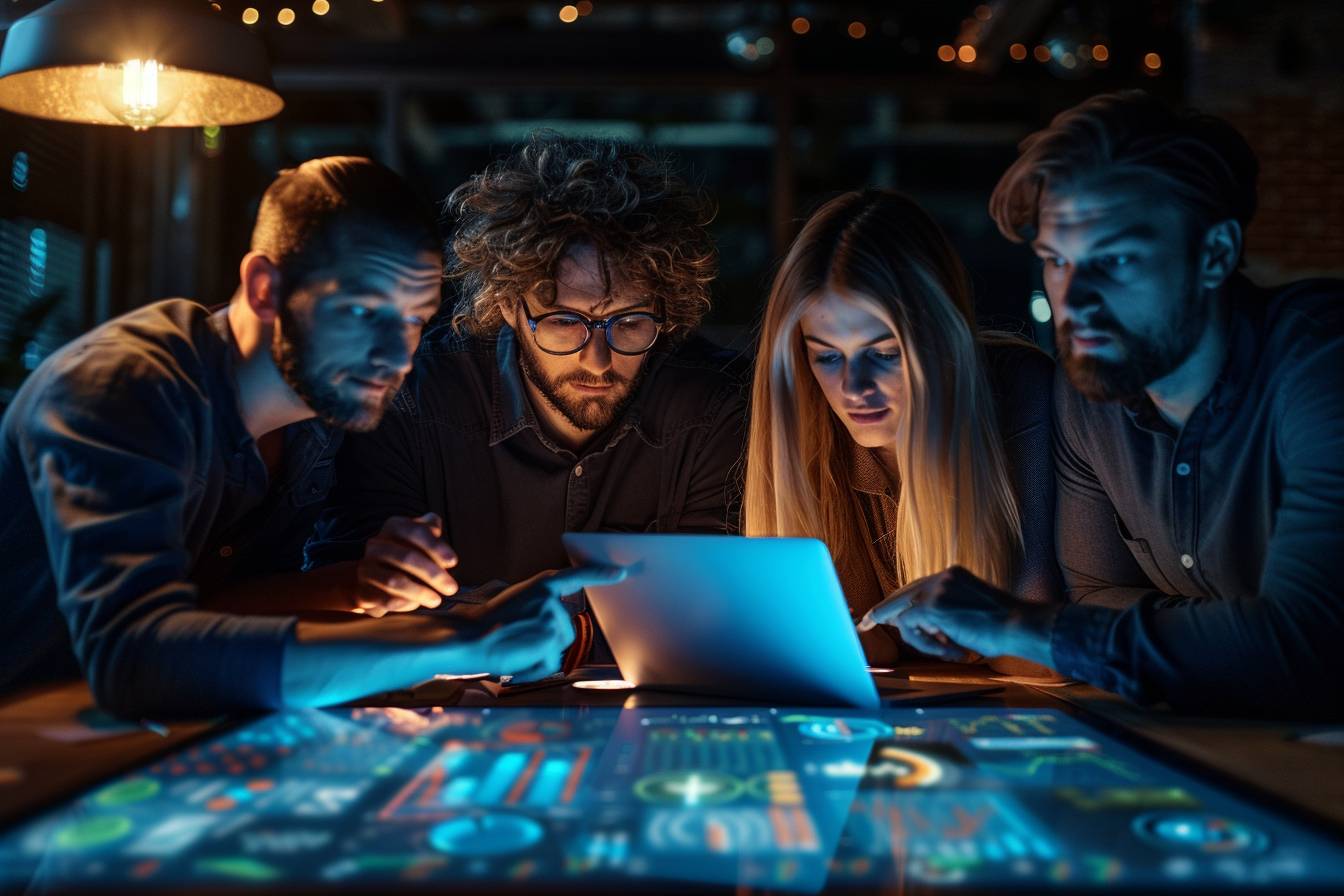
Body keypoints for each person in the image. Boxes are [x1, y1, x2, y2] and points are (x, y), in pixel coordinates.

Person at [0, 156, 612, 719]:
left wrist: (355, 588)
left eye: (413, 321)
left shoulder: (319, 416)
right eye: (362, 313)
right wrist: (459, 639)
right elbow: (134, 659)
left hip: (165, 749)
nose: (395, 355)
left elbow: (216, 611)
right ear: (265, 288)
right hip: (35, 761)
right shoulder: (124, 389)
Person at [861, 91, 1344, 718]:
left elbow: (1303, 646)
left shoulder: (1322, 360)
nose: (1075, 299)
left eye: (1114, 260)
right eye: (1057, 261)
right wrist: (1235, 633)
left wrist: (1018, 625)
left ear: (1216, 255)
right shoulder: (1092, 392)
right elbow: (1093, 596)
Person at [304, 135, 748, 664]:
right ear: (510, 307)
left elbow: (709, 619)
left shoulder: (713, 409)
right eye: (565, 322)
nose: (598, 360)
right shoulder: (411, 401)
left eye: (630, 322)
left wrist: (469, 616)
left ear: (665, 312)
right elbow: (350, 599)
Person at [744, 189, 1059, 671]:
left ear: (941, 339)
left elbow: (1038, 662)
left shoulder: (1021, 394)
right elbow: (873, 650)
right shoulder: (811, 424)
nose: (854, 387)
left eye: (885, 354)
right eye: (827, 355)